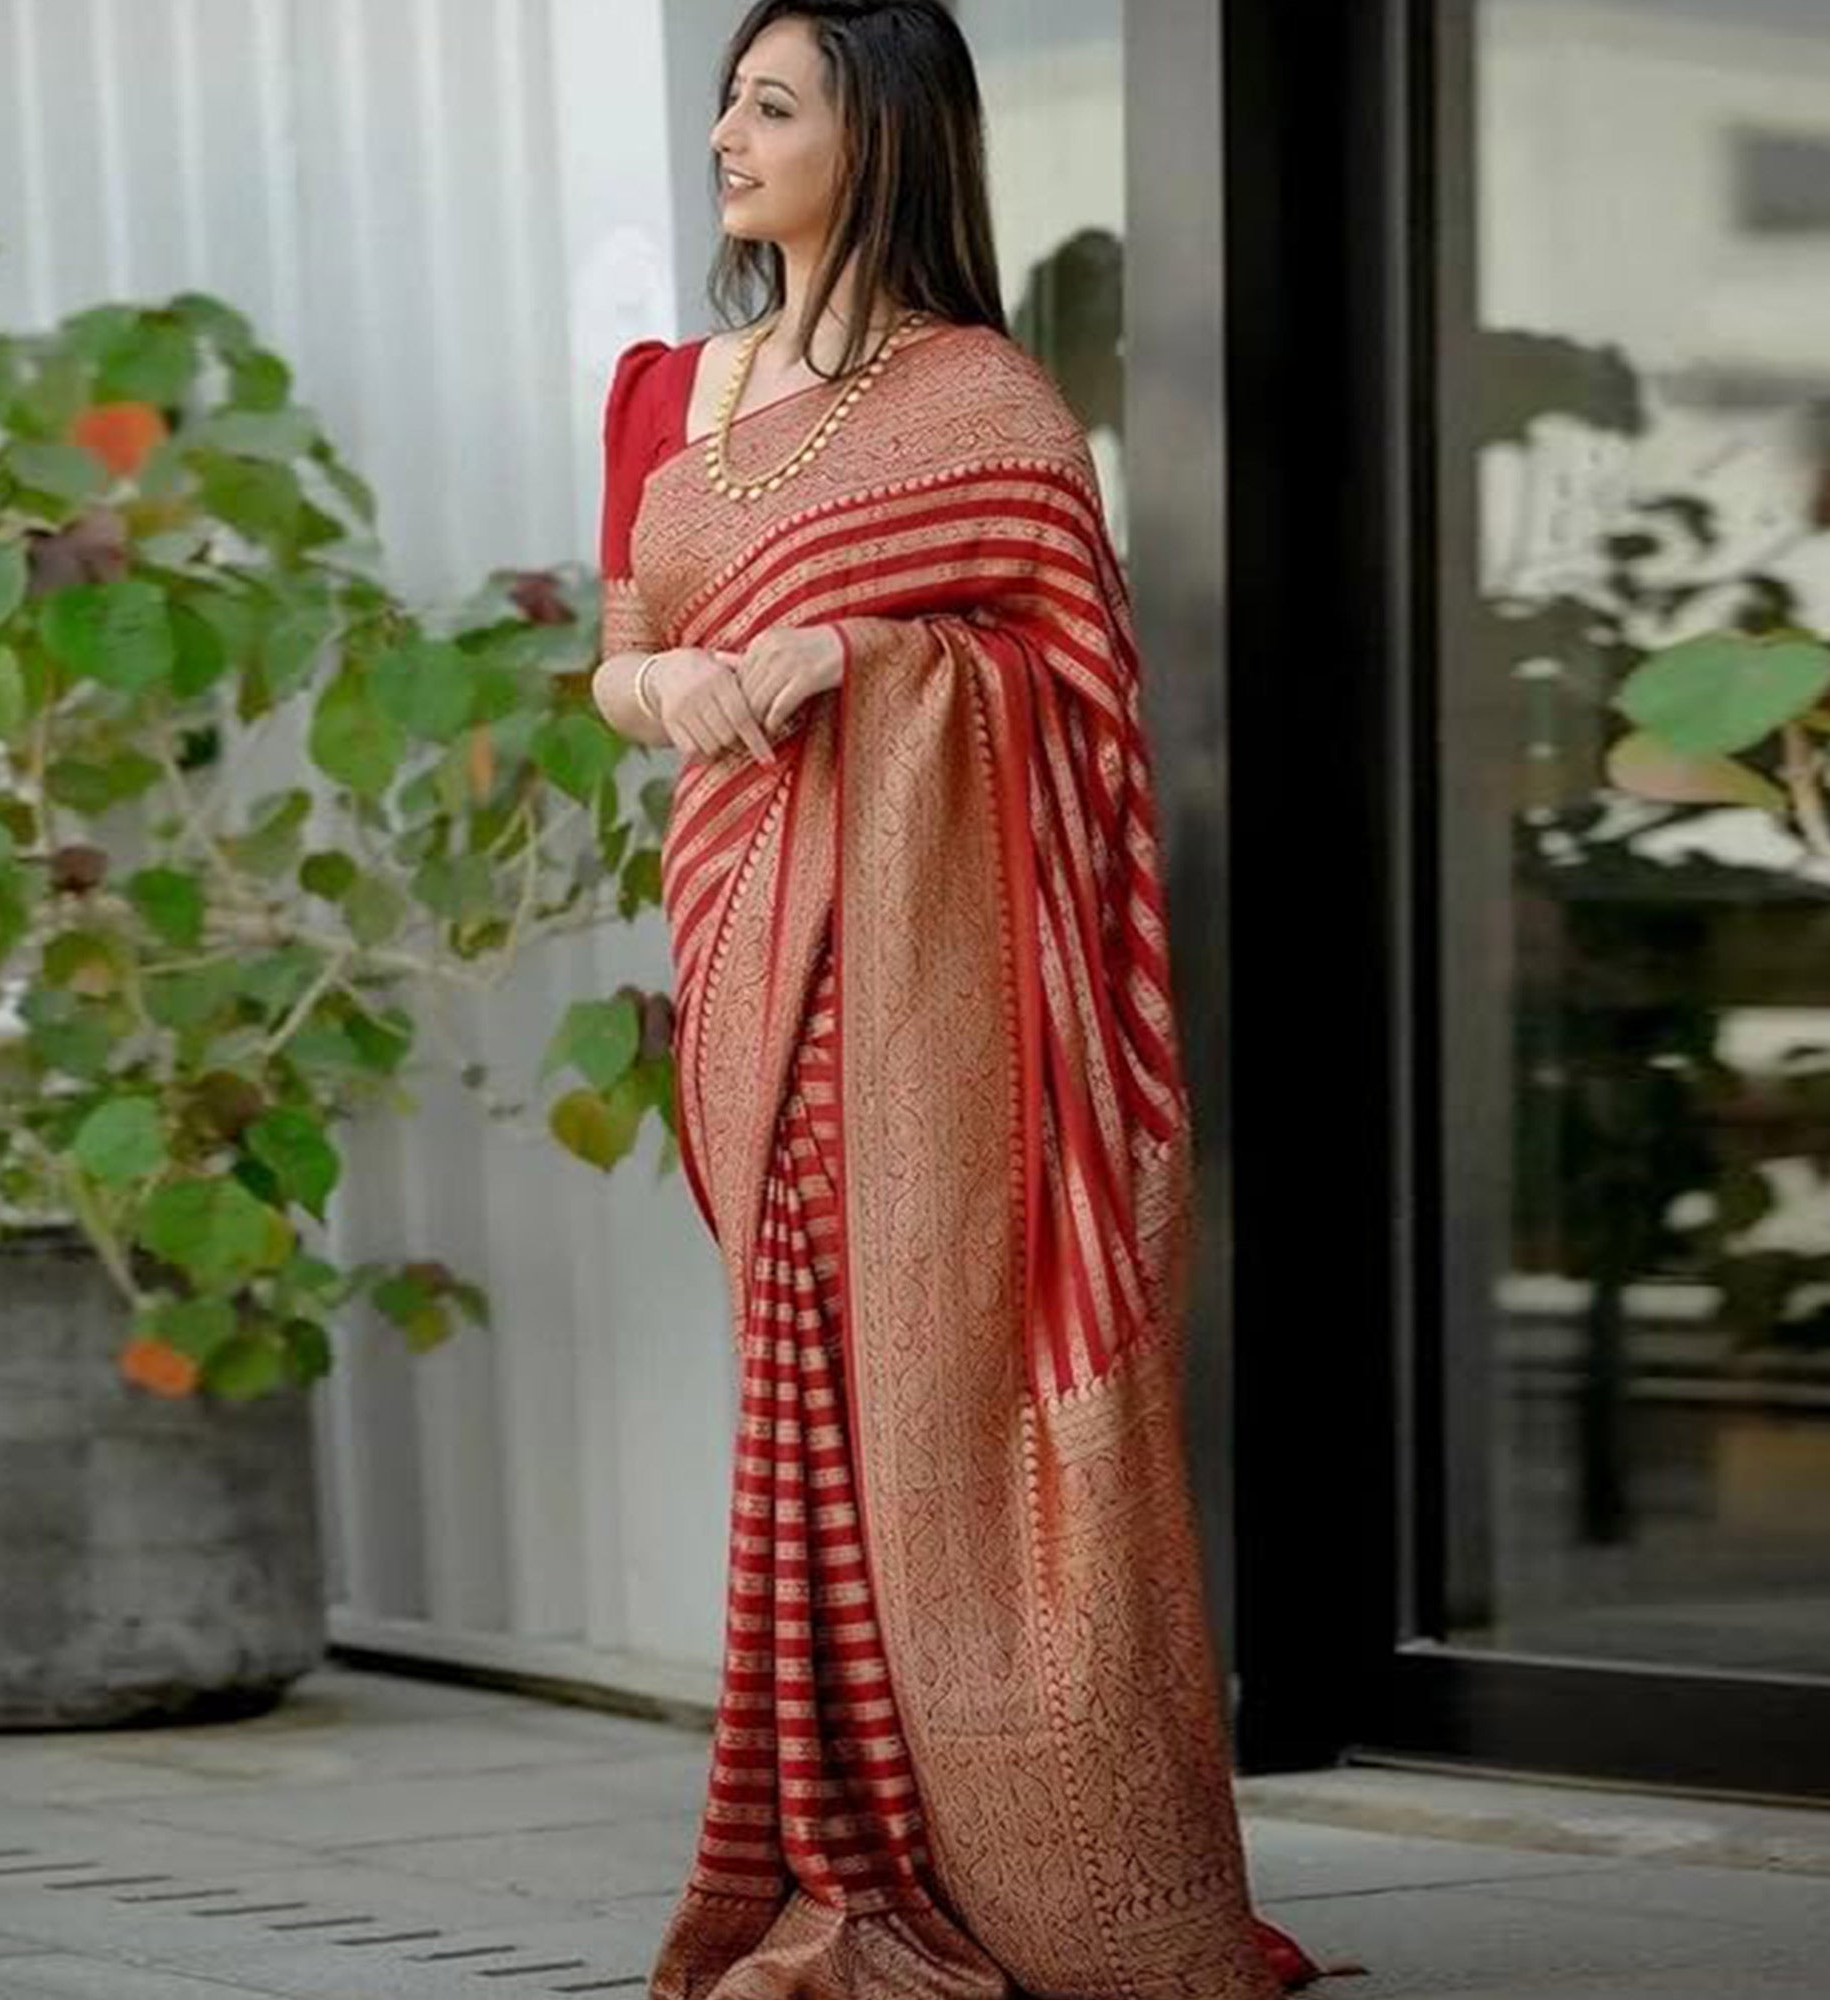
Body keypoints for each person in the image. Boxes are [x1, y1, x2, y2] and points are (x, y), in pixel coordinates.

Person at [591, 5, 1367, 1995]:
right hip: (752, 939)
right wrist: (668, 686)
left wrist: (863, 648)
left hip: (933, 973)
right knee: (809, 1394)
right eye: (725, 99)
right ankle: (834, 1853)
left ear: (886, 134)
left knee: (936, 1381)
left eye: (772, 104)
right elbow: (627, 648)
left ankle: (1041, 1873)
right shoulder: (667, 391)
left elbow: (1081, 706)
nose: (723, 137)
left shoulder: (988, 402)